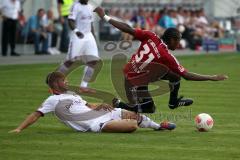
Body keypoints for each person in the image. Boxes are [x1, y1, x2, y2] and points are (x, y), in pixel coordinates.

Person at [94, 7, 228, 113]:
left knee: (174, 76)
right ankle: (118, 105)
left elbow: (128, 29)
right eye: (178, 41)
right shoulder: (166, 56)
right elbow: (187, 75)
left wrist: (104, 16)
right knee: (149, 108)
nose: (179, 44)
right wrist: (212, 77)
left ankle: (173, 102)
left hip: (134, 73)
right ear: (172, 40)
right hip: (134, 80)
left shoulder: (151, 35)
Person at [9, 72, 176, 134]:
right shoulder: (52, 100)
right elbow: (35, 114)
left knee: (136, 116)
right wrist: (18, 128)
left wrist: (100, 105)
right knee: (132, 125)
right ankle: (128, 122)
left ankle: (159, 127)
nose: (67, 82)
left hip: (104, 113)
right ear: (56, 84)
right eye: (64, 80)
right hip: (97, 124)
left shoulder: (72, 94)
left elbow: (88, 105)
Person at [56, 0, 102, 92]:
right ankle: (54, 83)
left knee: (93, 61)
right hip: (78, 36)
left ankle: (83, 86)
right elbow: (70, 21)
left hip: (89, 36)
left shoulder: (90, 7)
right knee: (70, 61)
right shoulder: (75, 6)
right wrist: (77, 31)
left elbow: (91, 24)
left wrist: (94, 38)